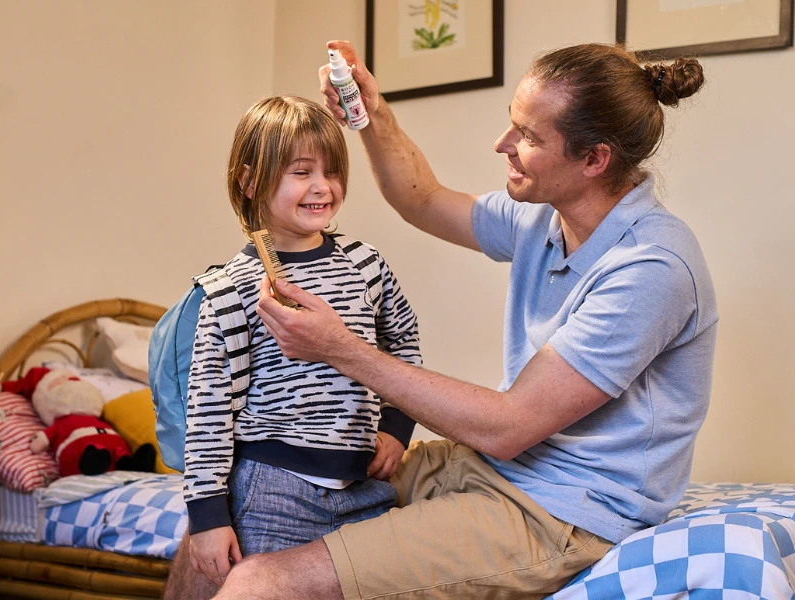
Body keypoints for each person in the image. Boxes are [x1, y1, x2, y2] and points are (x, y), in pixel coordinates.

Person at [214, 40, 718, 600]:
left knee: (261, 580)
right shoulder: (544, 218)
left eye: (528, 137)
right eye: (512, 123)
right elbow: (422, 198)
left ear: (594, 159)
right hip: (491, 466)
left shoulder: (650, 267)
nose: (502, 144)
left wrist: (340, 349)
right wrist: (372, 113)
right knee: (228, 510)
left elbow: (508, 427)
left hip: (562, 510)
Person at [164, 95, 422, 597]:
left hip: (363, 485)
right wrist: (207, 516)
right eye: (302, 172)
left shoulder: (365, 264)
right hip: (272, 491)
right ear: (250, 181)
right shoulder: (228, 290)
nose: (323, 186)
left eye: (332, 171)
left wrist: (396, 426)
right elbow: (208, 409)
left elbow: (402, 338)